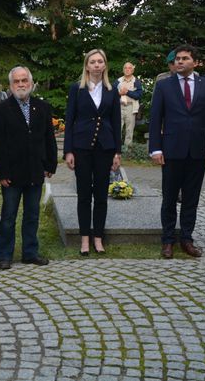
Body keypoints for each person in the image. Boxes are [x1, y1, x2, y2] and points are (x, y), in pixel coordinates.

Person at [149, 44, 205, 259]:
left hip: (197, 151)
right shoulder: (164, 86)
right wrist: (155, 149)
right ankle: (168, 240)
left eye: (185, 58)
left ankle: (186, 239)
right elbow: (155, 120)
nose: (179, 61)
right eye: (178, 58)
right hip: (171, 150)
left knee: (191, 199)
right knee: (169, 198)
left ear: (195, 62)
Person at [0, 66, 57, 270]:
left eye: (24, 80)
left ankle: (30, 252)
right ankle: (4, 255)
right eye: (16, 81)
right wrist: (2, 172)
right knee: (9, 215)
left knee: (32, 214)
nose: (21, 84)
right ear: (11, 85)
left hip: (35, 170)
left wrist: (50, 165)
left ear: (31, 83)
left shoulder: (42, 107)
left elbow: (49, 138)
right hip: (11, 173)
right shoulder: (1, 109)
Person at [64, 49, 122, 256]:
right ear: (87, 66)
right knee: (84, 195)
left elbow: (116, 122)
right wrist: (68, 150)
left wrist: (117, 152)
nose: (96, 65)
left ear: (105, 65)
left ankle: (98, 237)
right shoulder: (76, 89)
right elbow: (69, 120)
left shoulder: (111, 90)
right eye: (93, 62)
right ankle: (84, 239)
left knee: (101, 196)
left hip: (105, 148)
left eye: (100, 62)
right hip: (81, 148)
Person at [117, 62, 143, 149]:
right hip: (119, 107)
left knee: (129, 129)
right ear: (123, 69)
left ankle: (127, 149)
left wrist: (127, 92)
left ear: (133, 70)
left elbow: (139, 95)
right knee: (117, 128)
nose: (127, 69)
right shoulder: (118, 81)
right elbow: (111, 94)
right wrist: (119, 93)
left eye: (129, 68)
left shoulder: (136, 81)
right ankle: (116, 148)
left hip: (131, 107)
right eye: (125, 68)